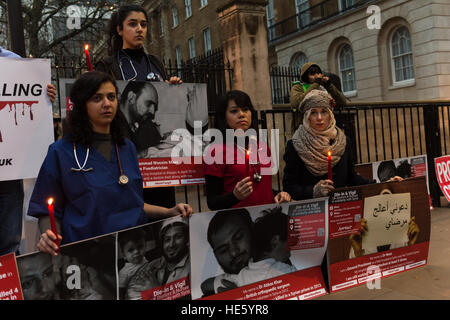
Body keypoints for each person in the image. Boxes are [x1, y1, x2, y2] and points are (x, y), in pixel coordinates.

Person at [27, 71, 192, 256]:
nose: (107, 104)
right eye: (97, 98)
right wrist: (49, 235)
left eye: (111, 97)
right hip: (88, 256)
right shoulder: (61, 152)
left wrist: (168, 212)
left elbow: (134, 204)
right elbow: (46, 209)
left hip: (132, 254)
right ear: (82, 105)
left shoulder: (127, 147)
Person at [95, 4, 182, 209]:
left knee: (164, 212)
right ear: (120, 29)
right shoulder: (107, 65)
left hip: (156, 167)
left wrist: (172, 88)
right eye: (132, 24)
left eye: (143, 24)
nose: (139, 29)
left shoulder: (154, 63)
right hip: (122, 156)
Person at [0, 46, 56, 256]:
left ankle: (7, 286)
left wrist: (46, 95)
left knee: (8, 241)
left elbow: (33, 97)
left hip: (7, 175)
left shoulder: (14, 61)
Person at [203, 90, 291, 210]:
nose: (241, 115)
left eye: (245, 109)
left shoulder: (261, 146)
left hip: (266, 218)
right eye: (234, 111)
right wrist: (234, 196)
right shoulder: (216, 151)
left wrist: (278, 194)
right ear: (223, 116)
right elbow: (212, 202)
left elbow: (262, 188)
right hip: (238, 223)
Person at [283, 89, 372, 200]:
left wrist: (381, 183)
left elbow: (351, 178)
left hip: (340, 209)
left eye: (324, 111)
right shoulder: (295, 145)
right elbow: (289, 187)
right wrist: (313, 191)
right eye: (314, 112)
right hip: (312, 211)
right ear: (307, 117)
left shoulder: (343, 141)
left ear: (330, 115)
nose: (319, 118)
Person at [202, 207, 296, 295]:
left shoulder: (283, 268)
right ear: (215, 255)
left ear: (252, 229)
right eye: (223, 250)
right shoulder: (235, 278)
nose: (234, 252)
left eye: (238, 237)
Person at [126, 216, 190, 300]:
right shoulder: (153, 265)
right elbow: (131, 293)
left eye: (178, 237)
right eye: (167, 239)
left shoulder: (193, 267)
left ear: (187, 240)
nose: (171, 244)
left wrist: (156, 291)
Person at [290, 62, 347, 130]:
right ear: (305, 76)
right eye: (312, 74)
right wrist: (315, 84)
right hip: (305, 127)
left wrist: (329, 85)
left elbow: (342, 101)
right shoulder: (298, 87)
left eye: (318, 73)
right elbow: (295, 103)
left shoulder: (323, 87)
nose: (316, 76)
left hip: (325, 126)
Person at [118, 229, 148, 297]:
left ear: (145, 246)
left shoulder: (144, 259)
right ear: (124, 255)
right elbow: (120, 292)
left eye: (140, 247)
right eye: (131, 250)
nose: (136, 251)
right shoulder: (124, 272)